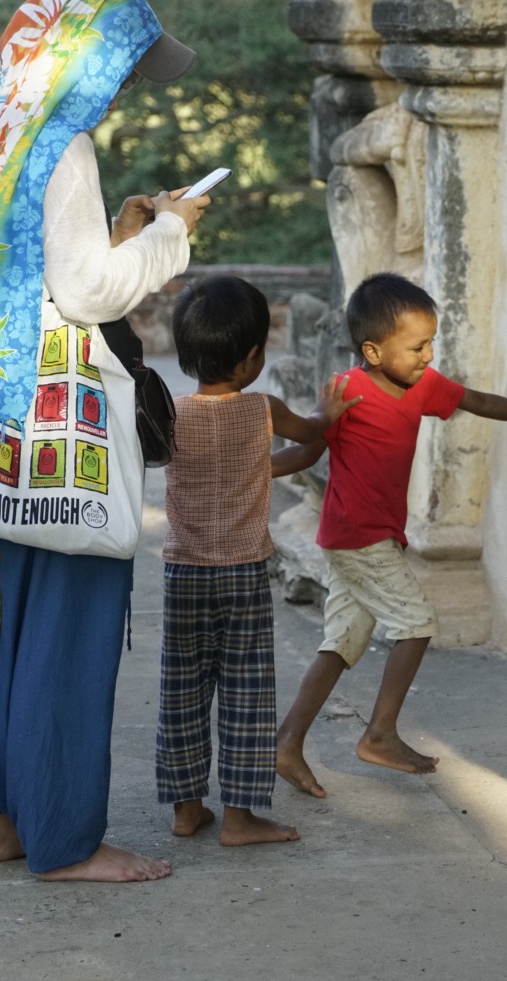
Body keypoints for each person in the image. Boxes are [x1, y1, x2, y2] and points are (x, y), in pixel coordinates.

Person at [0, 0, 210, 882]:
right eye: (124, 70)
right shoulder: (62, 146)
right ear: (88, 58)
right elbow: (85, 293)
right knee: (65, 631)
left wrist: (119, 231)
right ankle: (67, 838)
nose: (122, 90)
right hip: (54, 432)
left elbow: (26, 272)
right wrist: (173, 234)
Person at [273, 273, 507, 796]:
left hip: (369, 536)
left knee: (342, 640)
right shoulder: (348, 393)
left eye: (431, 342)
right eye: (417, 345)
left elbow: (480, 402)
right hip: (357, 536)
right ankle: (379, 734)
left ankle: (287, 743)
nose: (428, 355)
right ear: (373, 350)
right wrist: (253, 470)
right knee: (417, 622)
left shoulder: (422, 385)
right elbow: (310, 448)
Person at [155, 275, 357, 845]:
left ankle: (186, 808)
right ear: (250, 360)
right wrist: (327, 411)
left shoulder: (171, 414)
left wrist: (251, 473)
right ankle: (241, 818)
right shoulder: (260, 410)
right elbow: (315, 438)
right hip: (242, 572)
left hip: (183, 572)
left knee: (182, 690)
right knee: (246, 691)